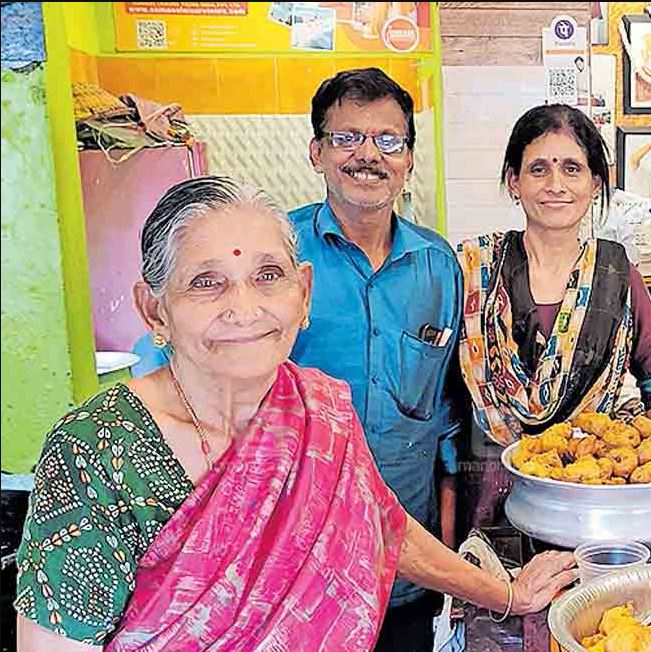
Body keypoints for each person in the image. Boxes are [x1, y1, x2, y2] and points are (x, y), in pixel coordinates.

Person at [14, 177, 576, 651]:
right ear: (153, 309)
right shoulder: (98, 450)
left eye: (268, 276)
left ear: (303, 295)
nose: (245, 308)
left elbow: (385, 527)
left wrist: (506, 594)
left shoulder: (319, 410)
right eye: (206, 283)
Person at [130, 67, 467, 651]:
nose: (369, 155)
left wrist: (447, 534)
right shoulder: (270, 264)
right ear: (316, 152)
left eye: (389, 140)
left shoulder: (440, 265)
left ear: (408, 158)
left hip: (409, 568)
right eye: (347, 138)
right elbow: (182, 373)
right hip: (287, 573)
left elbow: (441, 413)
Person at [459, 104, 651, 450]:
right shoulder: (474, 272)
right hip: (486, 479)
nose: (556, 185)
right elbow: (447, 402)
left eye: (572, 169)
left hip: (588, 480)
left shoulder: (617, 276)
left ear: (595, 184)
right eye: (538, 169)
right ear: (513, 181)